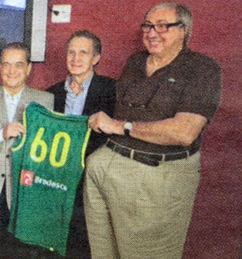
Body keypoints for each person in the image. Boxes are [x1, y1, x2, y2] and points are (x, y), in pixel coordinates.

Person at [85, 3, 221, 258]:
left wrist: (118, 126)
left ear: (184, 30)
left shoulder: (203, 69)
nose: (151, 32)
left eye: (162, 26)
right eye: (148, 26)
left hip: (154, 175)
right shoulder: (136, 61)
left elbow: (184, 132)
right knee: (103, 253)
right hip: (107, 166)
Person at [0, 42, 54, 258]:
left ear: (29, 68)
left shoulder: (45, 100)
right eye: (7, 65)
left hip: (25, 191)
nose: (12, 71)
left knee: (23, 252)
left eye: (18, 65)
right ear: (0, 68)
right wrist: (0, 134)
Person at [45, 30, 116, 259]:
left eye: (83, 53)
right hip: (57, 182)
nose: (75, 58)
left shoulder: (112, 91)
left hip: (93, 183)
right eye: (71, 52)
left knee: (86, 245)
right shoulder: (50, 94)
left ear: (96, 58)